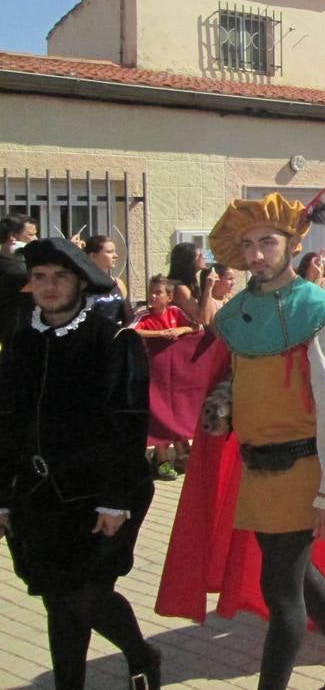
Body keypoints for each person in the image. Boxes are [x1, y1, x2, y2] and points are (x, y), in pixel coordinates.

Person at [163, 193, 325, 690]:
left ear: (291, 242)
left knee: (279, 590)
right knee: (292, 572)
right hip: (256, 469)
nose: (257, 254)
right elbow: (235, 380)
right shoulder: (237, 313)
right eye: (249, 245)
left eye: (268, 242)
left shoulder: (322, 311)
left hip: (302, 471)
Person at [0, 238, 160, 689]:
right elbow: (6, 421)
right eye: (39, 278)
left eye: (60, 276)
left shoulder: (112, 338)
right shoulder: (21, 338)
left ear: (80, 282)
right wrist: (3, 498)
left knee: (88, 595)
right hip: (37, 496)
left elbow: (128, 422)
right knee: (57, 599)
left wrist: (114, 500)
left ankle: (142, 653)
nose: (49, 287)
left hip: (102, 493)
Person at [133, 274, 200, 481]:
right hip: (153, 375)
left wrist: (181, 329)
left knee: (175, 411)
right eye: (150, 292)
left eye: (158, 293)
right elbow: (131, 331)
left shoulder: (175, 312)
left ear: (169, 297)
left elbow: (196, 327)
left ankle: (181, 453)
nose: (152, 296)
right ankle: (162, 459)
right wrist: (160, 334)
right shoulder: (143, 314)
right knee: (159, 415)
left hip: (174, 376)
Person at [1, 213, 38, 350]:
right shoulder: (14, 268)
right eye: (30, 235)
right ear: (12, 237)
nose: (35, 239)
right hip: (16, 334)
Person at [83, 234, 134, 324]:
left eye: (115, 252)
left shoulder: (118, 283)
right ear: (92, 256)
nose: (116, 256)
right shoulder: (81, 283)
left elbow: (128, 318)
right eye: (110, 252)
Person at [167, 242, 206, 323]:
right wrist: (209, 287)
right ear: (188, 261)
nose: (204, 257)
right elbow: (200, 319)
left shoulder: (189, 283)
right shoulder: (180, 288)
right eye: (199, 255)